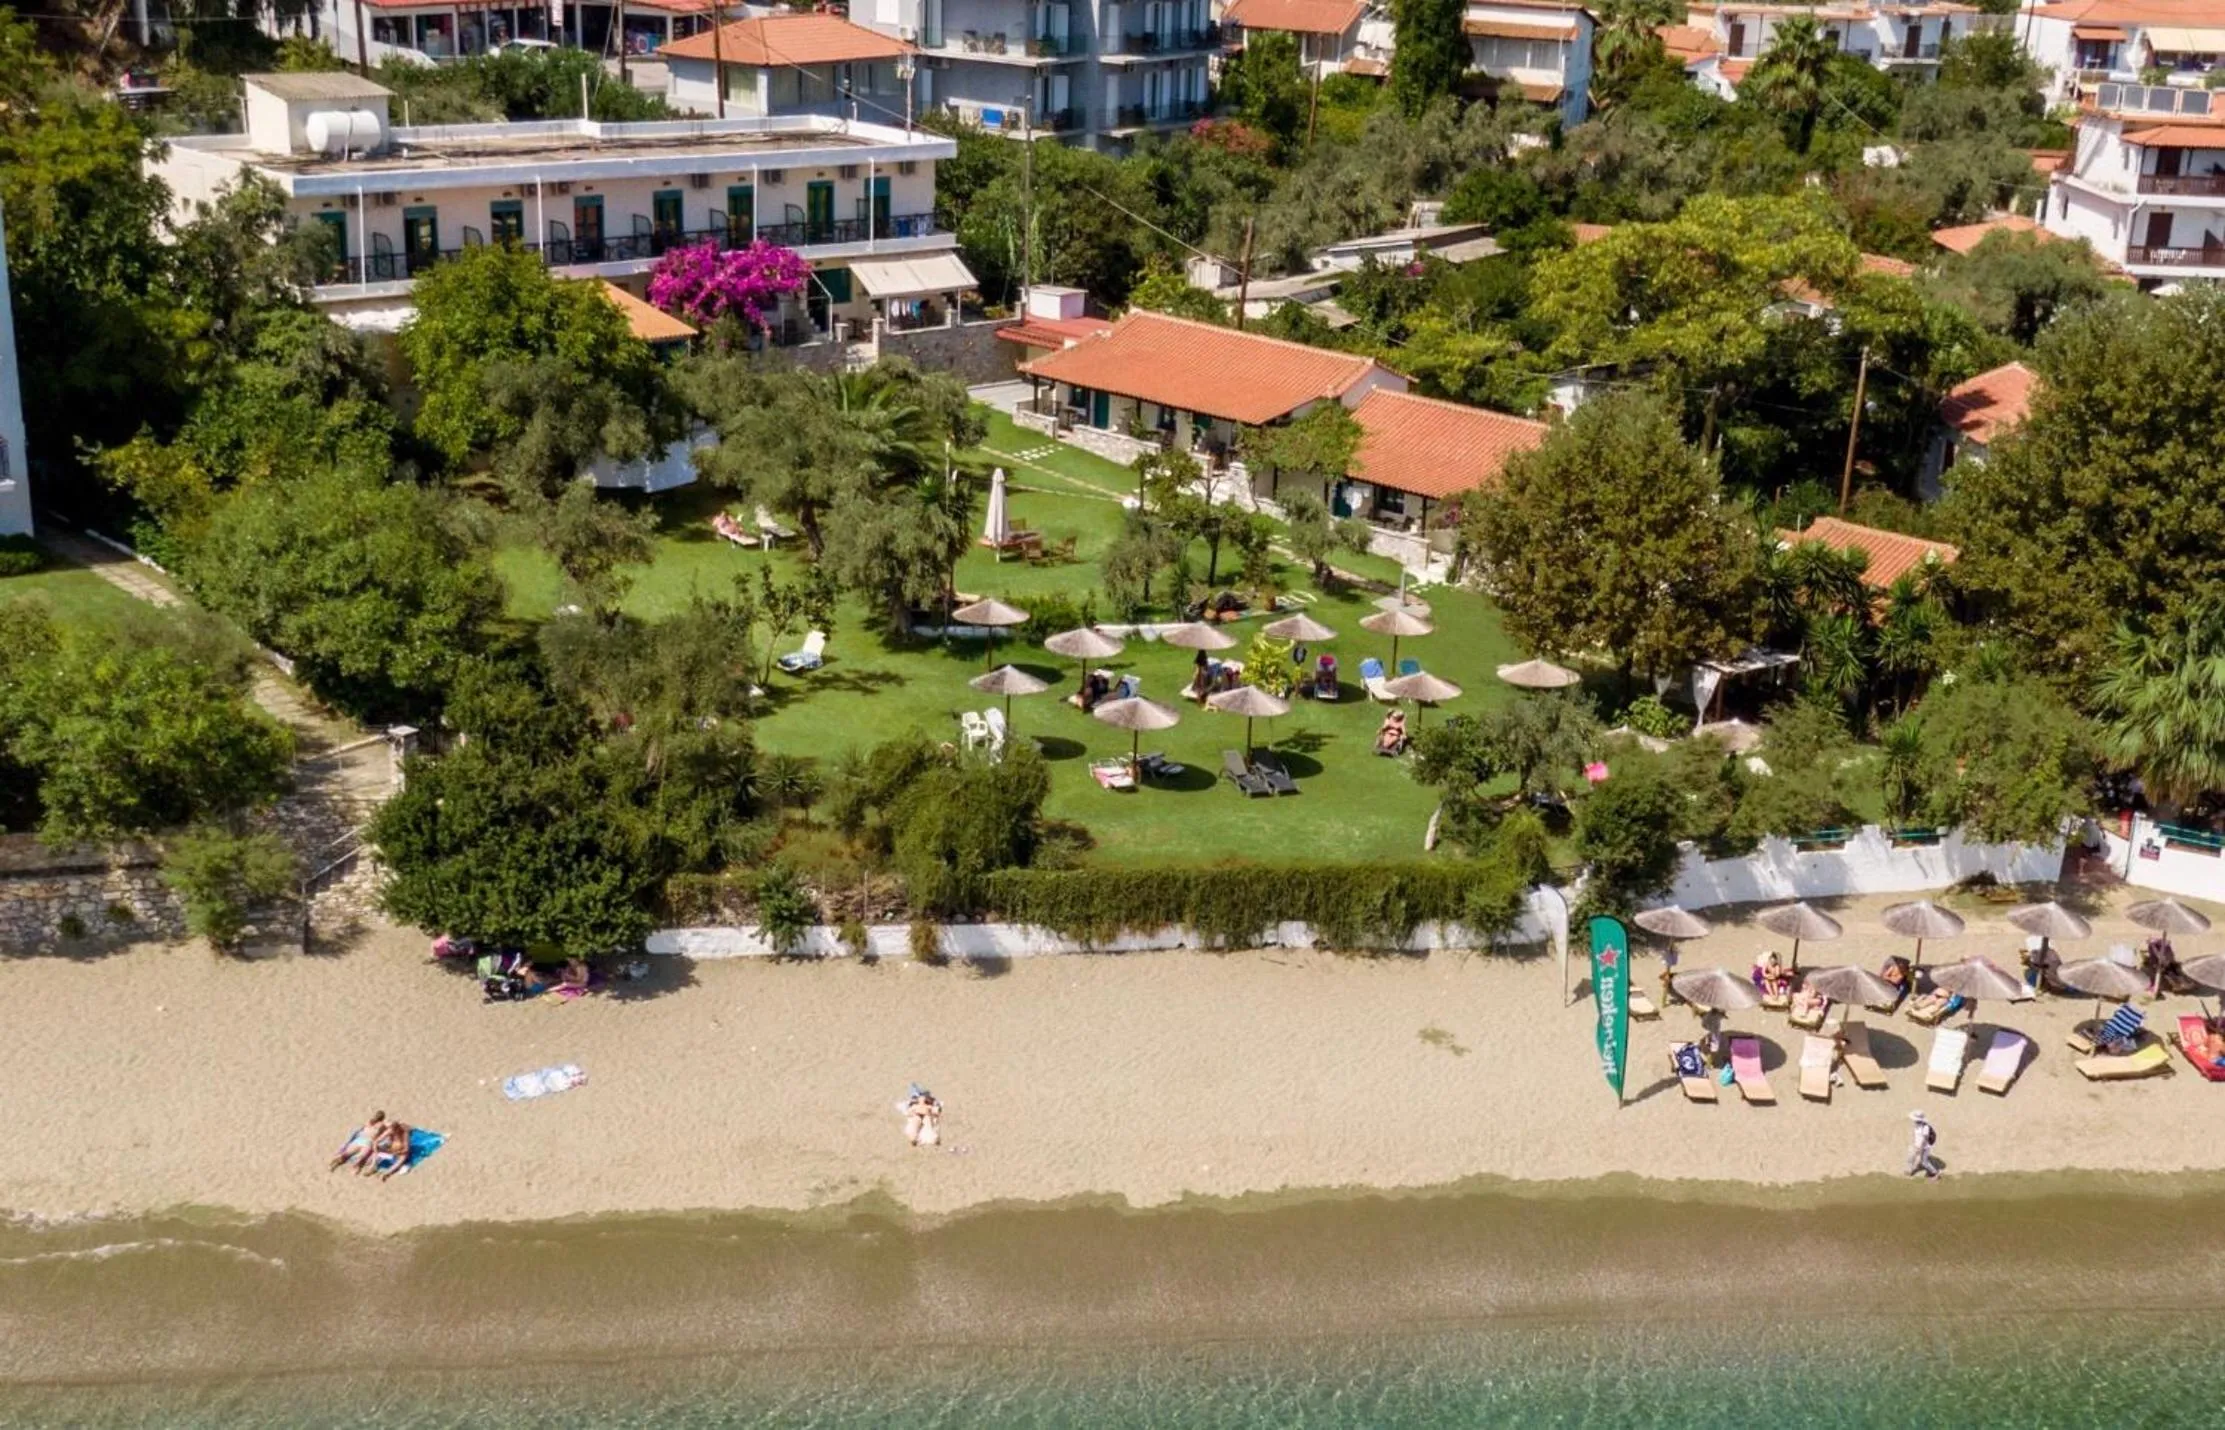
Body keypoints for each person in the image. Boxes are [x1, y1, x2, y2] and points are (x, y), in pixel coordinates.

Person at [1906, 1111, 1941, 1180]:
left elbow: (1925, 1139)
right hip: (1917, 1145)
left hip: (1924, 1147)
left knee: (1924, 1162)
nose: (1914, 1120)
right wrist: (1915, 1144)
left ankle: (1935, 1174)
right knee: (1911, 1158)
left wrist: (1920, 1148)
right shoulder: (1917, 1125)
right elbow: (1917, 1136)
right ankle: (1910, 1171)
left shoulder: (1926, 1127)